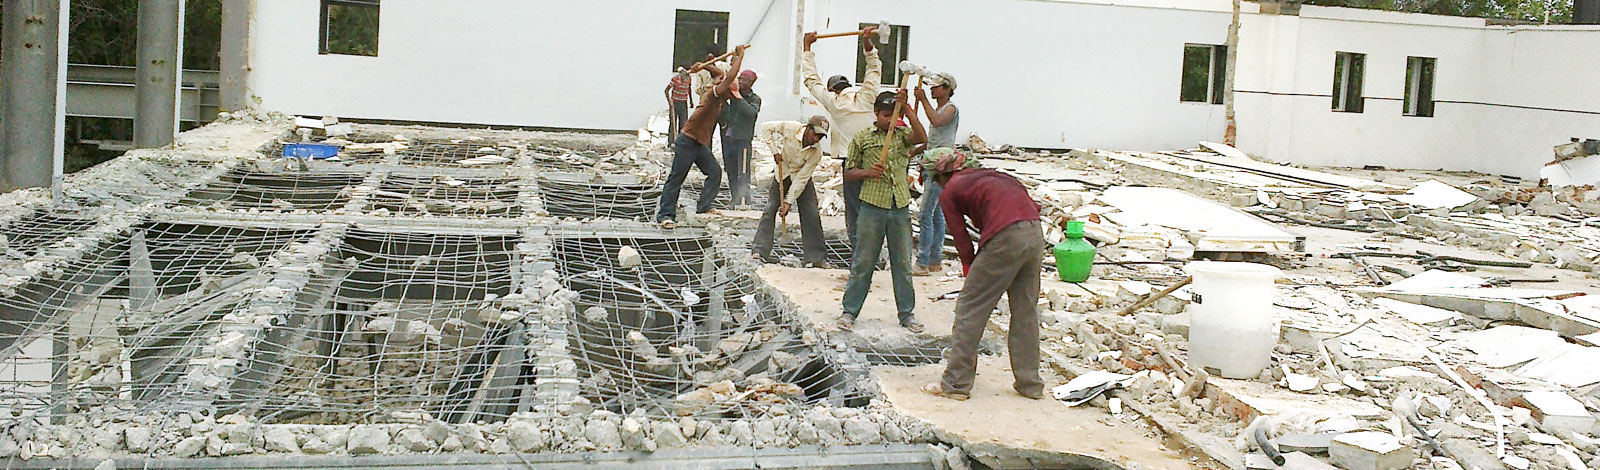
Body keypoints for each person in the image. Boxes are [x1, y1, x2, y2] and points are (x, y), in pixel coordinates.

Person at [919, 150, 1045, 401]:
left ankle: (956, 384)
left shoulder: (951, 190)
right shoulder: (995, 176)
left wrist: (970, 270)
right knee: (1025, 310)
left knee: (970, 308)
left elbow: (961, 238)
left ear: (941, 175)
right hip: (1035, 233)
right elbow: (1031, 205)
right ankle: (1030, 384)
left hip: (1005, 237)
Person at [838, 90, 927, 333]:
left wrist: (907, 109)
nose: (889, 120)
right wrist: (867, 173)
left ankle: (907, 314)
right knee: (863, 261)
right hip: (872, 207)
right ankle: (849, 311)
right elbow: (848, 172)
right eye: (886, 115)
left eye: (893, 115)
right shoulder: (863, 138)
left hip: (899, 207)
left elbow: (921, 137)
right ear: (876, 114)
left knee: (902, 264)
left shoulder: (901, 136)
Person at [801, 27, 881, 249]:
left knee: (854, 209)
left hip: (852, 162)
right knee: (874, 207)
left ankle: (858, 254)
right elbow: (874, 70)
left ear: (834, 90)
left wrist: (807, 49)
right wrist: (868, 45)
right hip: (876, 160)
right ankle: (874, 251)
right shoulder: (867, 97)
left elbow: (811, 81)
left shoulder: (836, 103)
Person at [656, 45, 747, 229]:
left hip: (699, 144)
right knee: (676, 178)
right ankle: (665, 215)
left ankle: (703, 207)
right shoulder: (712, 94)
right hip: (688, 140)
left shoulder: (720, 98)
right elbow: (727, 77)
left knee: (714, 173)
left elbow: (719, 74)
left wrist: (705, 66)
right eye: (731, 92)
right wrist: (740, 57)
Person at [752, 116, 830, 266]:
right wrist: (774, 151)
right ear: (808, 128)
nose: (816, 139)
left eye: (820, 137)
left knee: (811, 212)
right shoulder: (790, 127)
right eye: (815, 134)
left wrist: (788, 202)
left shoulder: (816, 152)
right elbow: (766, 127)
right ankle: (759, 251)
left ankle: (816, 257)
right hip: (783, 172)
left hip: (800, 177)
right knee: (770, 208)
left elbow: (802, 179)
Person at [912, 73, 961, 276]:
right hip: (934, 159)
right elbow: (935, 138)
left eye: (935, 88)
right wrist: (916, 150)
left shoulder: (950, 109)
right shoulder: (940, 108)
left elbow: (937, 121)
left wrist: (922, 100)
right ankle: (934, 259)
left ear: (947, 89)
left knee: (926, 214)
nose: (932, 91)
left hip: (940, 165)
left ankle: (923, 261)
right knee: (937, 214)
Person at [719, 70, 762, 208]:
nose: (741, 83)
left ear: (751, 83)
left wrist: (738, 96)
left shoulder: (754, 99)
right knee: (730, 170)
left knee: (742, 172)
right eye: (740, 79)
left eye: (745, 81)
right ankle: (734, 198)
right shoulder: (731, 95)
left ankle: (744, 199)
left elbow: (751, 113)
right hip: (730, 138)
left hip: (743, 140)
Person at [664, 67, 693, 138]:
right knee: (673, 124)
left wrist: (691, 101)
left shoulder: (688, 79)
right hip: (675, 102)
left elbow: (689, 89)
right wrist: (670, 101)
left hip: (683, 103)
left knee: (683, 123)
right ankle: (671, 142)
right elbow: (666, 90)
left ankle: (680, 142)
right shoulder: (675, 79)